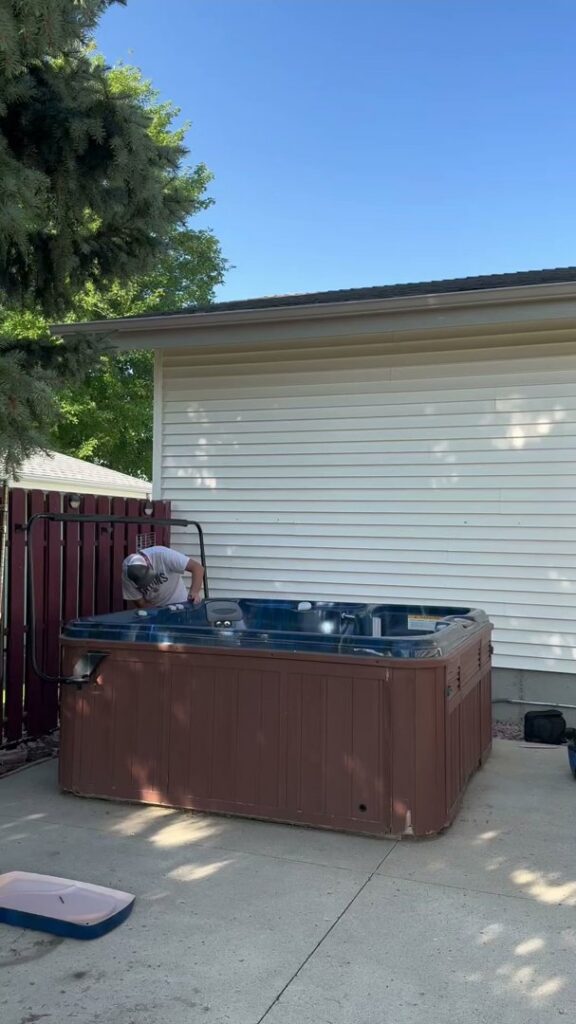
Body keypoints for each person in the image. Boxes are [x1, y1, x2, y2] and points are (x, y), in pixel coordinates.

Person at [122, 546, 205, 608]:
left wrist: (194, 592)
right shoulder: (127, 578)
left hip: (181, 604)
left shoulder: (162, 554)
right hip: (158, 610)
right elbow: (141, 603)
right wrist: (158, 613)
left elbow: (198, 568)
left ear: (147, 562)